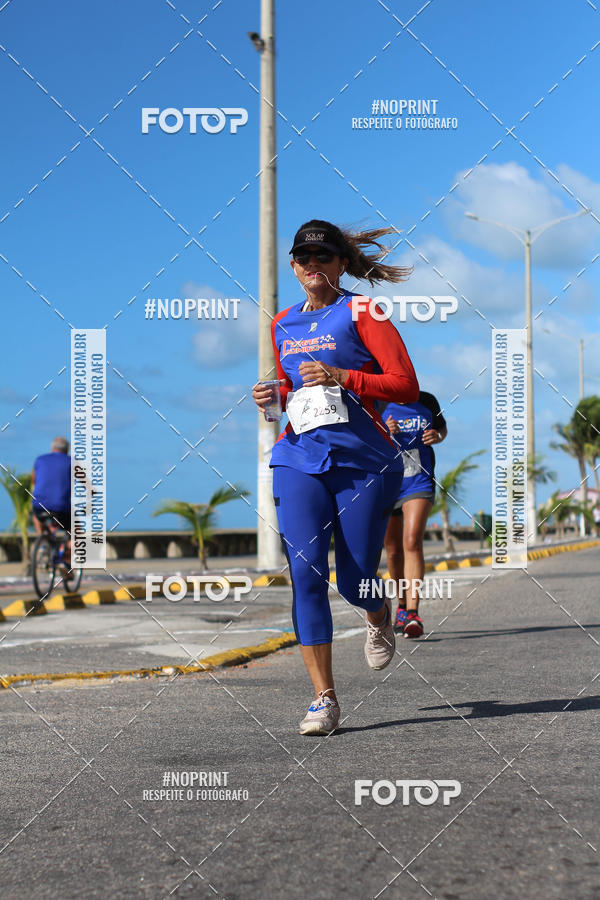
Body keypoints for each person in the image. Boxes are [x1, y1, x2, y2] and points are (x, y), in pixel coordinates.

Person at [252, 219, 419, 735]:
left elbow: (406, 386)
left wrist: (345, 376)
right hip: (297, 457)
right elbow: (289, 389)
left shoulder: (363, 311)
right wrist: (270, 397)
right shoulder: (282, 324)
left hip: (363, 463)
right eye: (304, 258)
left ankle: (378, 611)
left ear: (342, 263)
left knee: (352, 581)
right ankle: (324, 699)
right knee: (305, 573)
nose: (313, 266)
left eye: (324, 257)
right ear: (294, 266)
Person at [381, 393, 447, 638]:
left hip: (418, 482)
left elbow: (442, 429)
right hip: (387, 482)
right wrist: (382, 430)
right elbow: (361, 438)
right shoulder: (378, 402)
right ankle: (401, 605)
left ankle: (413, 611)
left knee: (412, 541)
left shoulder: (427, 401)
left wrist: (437, 436)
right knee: (393, 549)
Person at [32, 436, 72, 565]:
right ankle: (65, 563)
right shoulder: (71, 461)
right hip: (61, 508)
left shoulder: (39, 460)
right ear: (67, 450)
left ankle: (42, 540)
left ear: (52, 448)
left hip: (39, 506)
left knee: (36, 516)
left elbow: (34, 480)